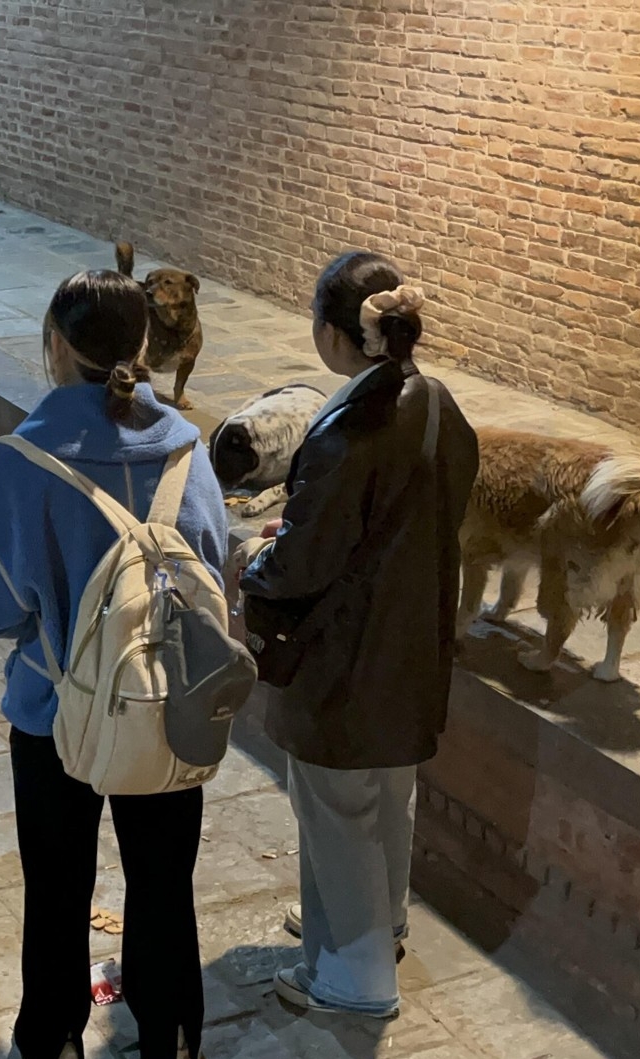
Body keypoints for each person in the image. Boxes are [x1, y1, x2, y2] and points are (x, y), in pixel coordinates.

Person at [0, 271, 230, 1059]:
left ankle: (59, 1050)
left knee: (59, 885)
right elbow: (215, 572)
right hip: (170, 704)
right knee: (165, 884)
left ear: (57, 345)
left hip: (55, 708)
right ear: (144, 347)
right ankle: (174, 1051)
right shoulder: (187, 451)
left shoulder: (23, 458)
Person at [237, 252, 479, 1018]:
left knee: (338, 810)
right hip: (413, 645)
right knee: (389, 796)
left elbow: (303, 563)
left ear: (336, 335)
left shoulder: (349, 429)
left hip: (343, 658)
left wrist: (254, 562)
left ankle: (355, 977)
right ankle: (381, 923)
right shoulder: (437, 403)